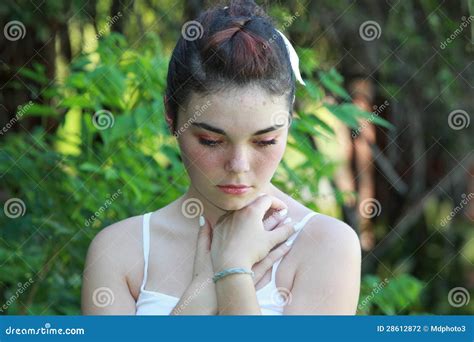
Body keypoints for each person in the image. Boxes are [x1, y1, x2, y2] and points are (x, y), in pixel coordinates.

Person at [81, 0, 361, 315]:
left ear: (289, 124)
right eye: (212, 141)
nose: (239, 166)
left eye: (265, 141)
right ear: (171, 117)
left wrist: (233, 273)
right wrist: (203, 292)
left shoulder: (326, 246)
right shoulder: (120, 252)